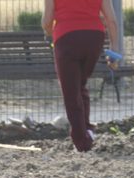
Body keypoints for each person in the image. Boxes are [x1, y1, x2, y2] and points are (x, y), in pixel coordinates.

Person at [42, 0, 121, 152]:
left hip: (66, 38)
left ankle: (81, 142)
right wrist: (114, 48)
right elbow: (111, 20)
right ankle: (87, 130)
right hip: (94, 37)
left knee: (71, 92)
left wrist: (50, 33)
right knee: (80, 84)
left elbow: (46, 21)